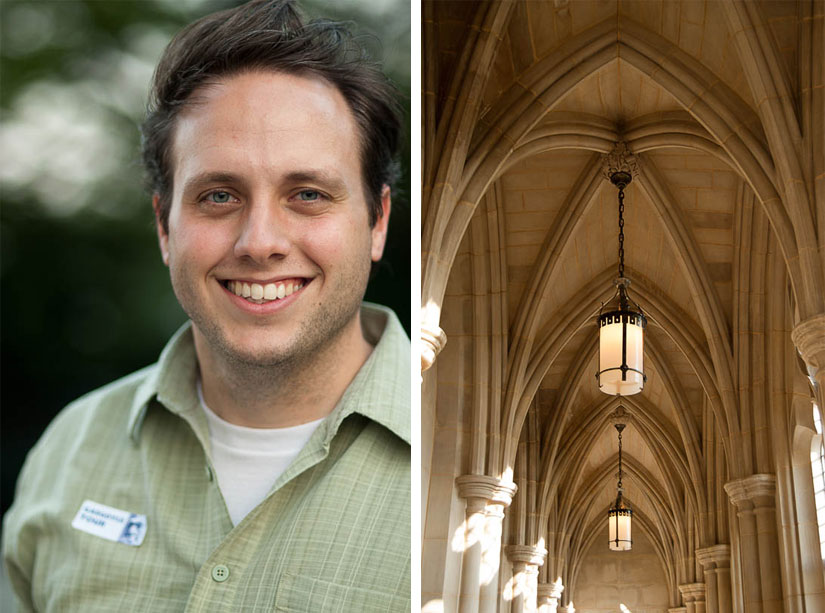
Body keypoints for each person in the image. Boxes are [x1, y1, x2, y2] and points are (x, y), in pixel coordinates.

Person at [2, 1, 410, 611]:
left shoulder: (450, 459)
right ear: (165, 227)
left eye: (307, 194)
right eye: (219, 195)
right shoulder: (70, 449)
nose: (261, 243)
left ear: (376, 222)